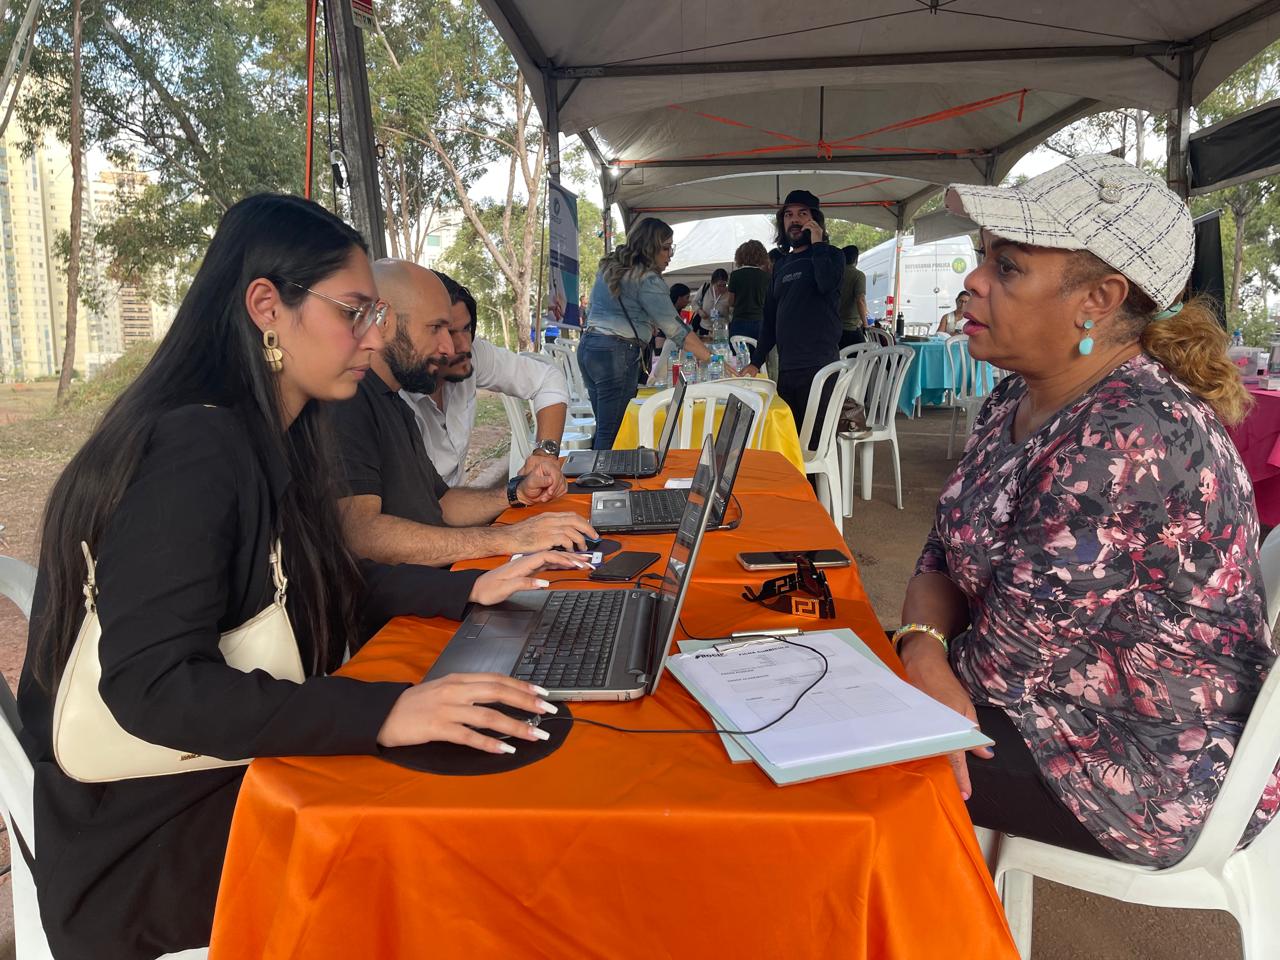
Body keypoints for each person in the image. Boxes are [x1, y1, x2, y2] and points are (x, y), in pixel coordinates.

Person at [15, 194, 585, 960]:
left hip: (212, 779)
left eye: (377, 313)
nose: (375, 335)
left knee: (461, 785)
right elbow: (151, 686)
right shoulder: (195, 447)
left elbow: (328, 580)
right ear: (267, 308)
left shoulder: (276, 433)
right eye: (355, 311)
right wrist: (384, 713)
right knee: (448, 842)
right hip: (149, 838)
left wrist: (469, 589)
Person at [897, 154, 1280, 868]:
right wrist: (921, 641)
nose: (972, 282)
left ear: (1097, 300)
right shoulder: (1017, 396)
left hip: (1148, 764)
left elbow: (997, 673)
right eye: (983, 258)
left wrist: (921, 653)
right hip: (1046, 703)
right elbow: (939, 553)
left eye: (1007, 268)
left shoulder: (1130, 436)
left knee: (854, 760)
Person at [333, 260, 597, 567]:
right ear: (383, 319)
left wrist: (516, 493)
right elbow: (361, 534)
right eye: (436, 329)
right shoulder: (349, 401)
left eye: (460, 329)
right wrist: (508, 538)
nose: (451, 347)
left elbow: (441, 502)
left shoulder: (390, 397)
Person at [396, 267, 570, 488]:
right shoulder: (392, 394)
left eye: (467, 328)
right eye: (446, 331)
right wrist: (513, 496)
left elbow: (547, 379)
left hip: (458, 510)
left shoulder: (472, 353)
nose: (463, 346)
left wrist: (545, 454)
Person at [579, 218, 716, 450]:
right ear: (649, 247)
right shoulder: (647, 279)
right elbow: (676, 331)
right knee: (612, 434)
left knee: (604, 427)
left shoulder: (609, 268)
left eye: (671, 247)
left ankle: (600, 481)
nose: (670, 254)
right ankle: (603, 483)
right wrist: (713, 359)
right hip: (616, 354)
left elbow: (594, 309)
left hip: (589, 348)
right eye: (665, 248)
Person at [742, 189, 845, 440]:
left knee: (815, 442)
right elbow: (770, 316)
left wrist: (819, 243)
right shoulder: (782, 265)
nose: (794, 220)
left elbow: (826, 284)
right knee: (790, 440)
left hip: (820, 366)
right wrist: (756, 361)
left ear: (815, 219)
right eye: (788, 215)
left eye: (802, 214)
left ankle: (818, 482)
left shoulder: (832, 255)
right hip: (787, 368)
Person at [725, 239, 770, 343]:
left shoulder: (735, 275)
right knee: (758, 356)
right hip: (760, 321)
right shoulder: (766, 276)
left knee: (738, 356)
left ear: (740, 256)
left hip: (740, 321)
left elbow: (730, 302)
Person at [838, 244, 868, 349]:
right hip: (851, 328)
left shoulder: (835, 275)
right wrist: (865, 324)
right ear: (856, 259)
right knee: (863, 360)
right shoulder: (858, 275)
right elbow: (860, 300)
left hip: (834, 327)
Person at [693, 268, 729, 337]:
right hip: (705, 327)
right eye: (719, 285)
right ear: (712, 283)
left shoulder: (729, 293)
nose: (721, 288)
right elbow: (694, 302)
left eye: (724, 285)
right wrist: (699, 311)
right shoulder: (705, 288)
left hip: (721, 329)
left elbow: (732, 312)